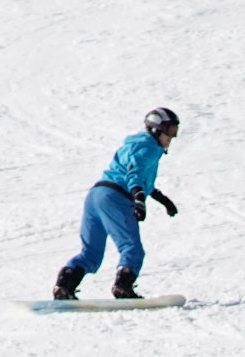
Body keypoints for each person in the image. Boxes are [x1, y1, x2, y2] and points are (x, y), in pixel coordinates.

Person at [51, 108, 181, 300]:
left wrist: (162, 199)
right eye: (169, 131)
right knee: (132, 248)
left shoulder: (135, 145)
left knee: (91, 254)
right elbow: (134, 172)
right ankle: (123, 287)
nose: (172, 137)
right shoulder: (149, 148)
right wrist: (138, 198)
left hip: (96, 196)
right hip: (116, 198)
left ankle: (64, 286)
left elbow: (141, 177)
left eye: (175, 131)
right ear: (156, 130)